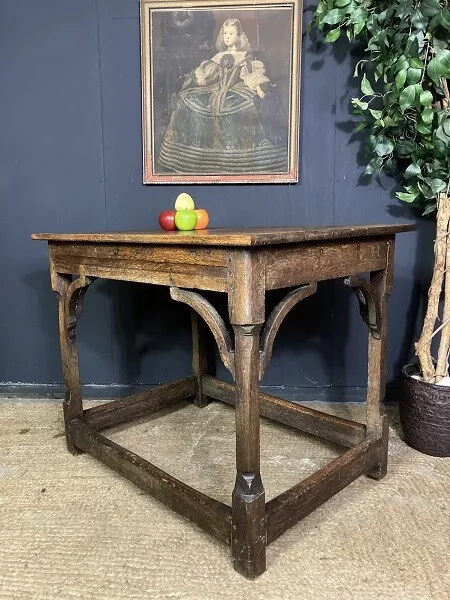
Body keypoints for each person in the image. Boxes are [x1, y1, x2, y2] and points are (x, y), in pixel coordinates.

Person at [158, 18, 288, 174]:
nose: (227, 37)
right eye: (225, 33)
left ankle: (237, 158)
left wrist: (258, 88)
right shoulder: (218, 56)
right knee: (187, 99)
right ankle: (189, 156)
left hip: (236, 89)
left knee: (243, 107)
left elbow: (250, 74)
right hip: (216, 89)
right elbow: (210, 74)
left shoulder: (244, 55)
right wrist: (199, 79)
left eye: (231, 33)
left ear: (238, 35)